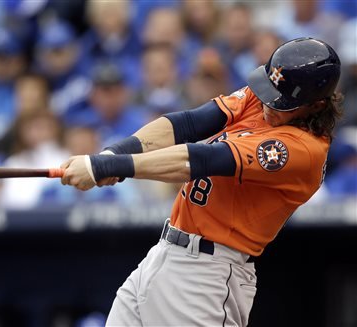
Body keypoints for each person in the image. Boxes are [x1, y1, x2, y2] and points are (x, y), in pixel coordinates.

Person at [59, 37, 343, 325]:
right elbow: (189, 124)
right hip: (163, 254)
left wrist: (106, 166)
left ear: (316, 105)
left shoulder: (304, 150)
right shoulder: (267, 100)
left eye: (282, 103)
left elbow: (200, 160)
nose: (269, 104)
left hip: (207, 275)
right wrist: (113, 153)